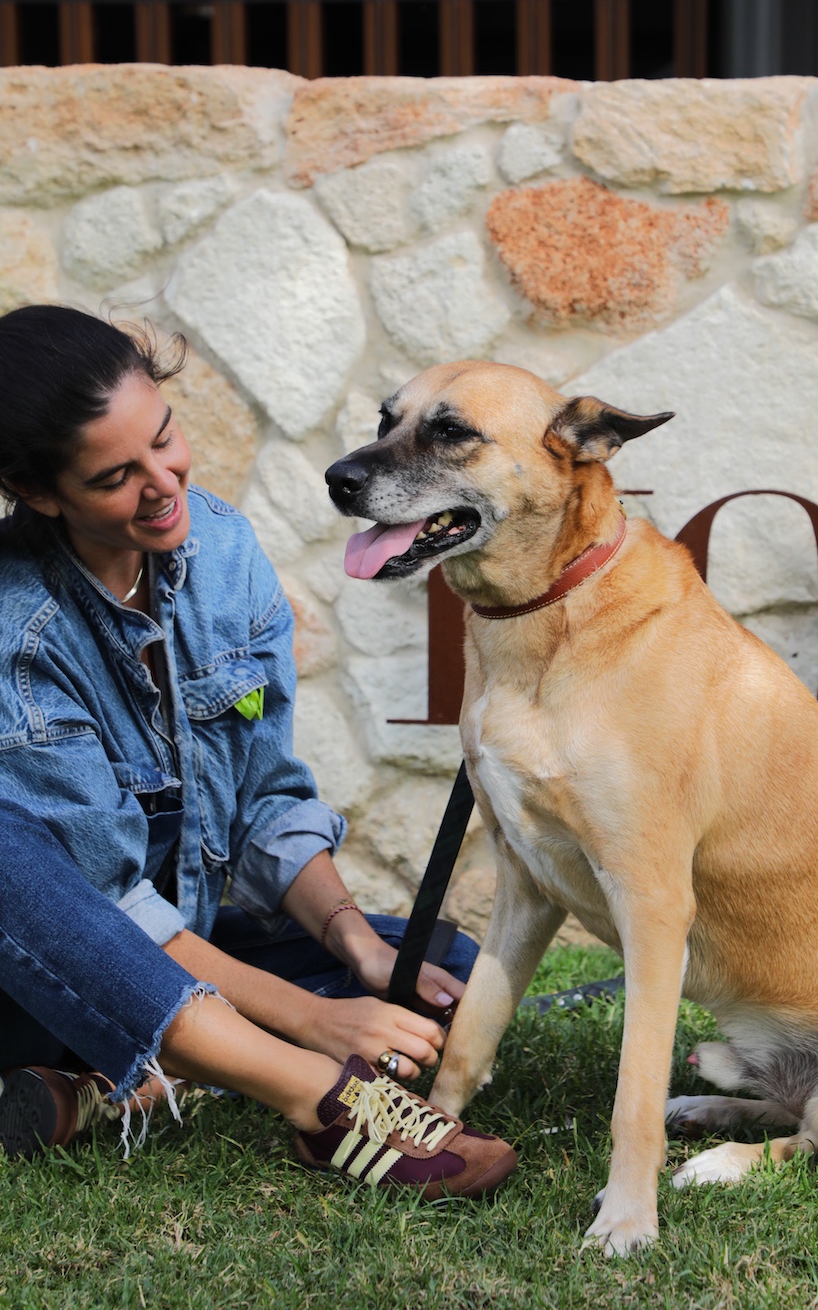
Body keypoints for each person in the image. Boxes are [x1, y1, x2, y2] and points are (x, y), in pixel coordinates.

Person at [0, 304, 516, 1199]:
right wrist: (315, 1024)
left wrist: (354, 944)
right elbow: (110, 908)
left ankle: (125, 1086)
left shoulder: (224, 549)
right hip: (44, 975)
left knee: (437, 973)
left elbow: (266, 801)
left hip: (183, 945)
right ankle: (317, 1099)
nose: (162, 484)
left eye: (165, 439)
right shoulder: (18, 635)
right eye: (115, 477)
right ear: (41, 494)